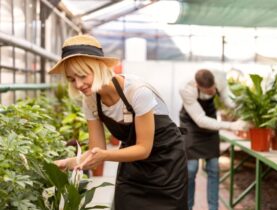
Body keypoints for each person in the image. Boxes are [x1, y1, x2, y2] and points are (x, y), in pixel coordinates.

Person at [49, 34, 188, 210]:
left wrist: (105, 155)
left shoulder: (137, 92)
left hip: (166, 165)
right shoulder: (91, 100)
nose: (78, 84)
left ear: (99, 68)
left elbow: (144, 149)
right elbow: (96, 151)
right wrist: (66, 163)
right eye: (71, 79)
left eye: (82, 76)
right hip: (132, 166)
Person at [179, 69, 248, 210]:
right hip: (191, 123)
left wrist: (243, 110)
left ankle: (213, 208)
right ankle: (188, 206)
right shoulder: (186, 88)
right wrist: (231, 126)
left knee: (214, 168)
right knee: (191, 169)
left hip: (210, 118)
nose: (212, 92)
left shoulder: (220, 76)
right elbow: (200, 120)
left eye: (213, 89)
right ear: (198, 86)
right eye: (208, 91)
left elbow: (227, 99)